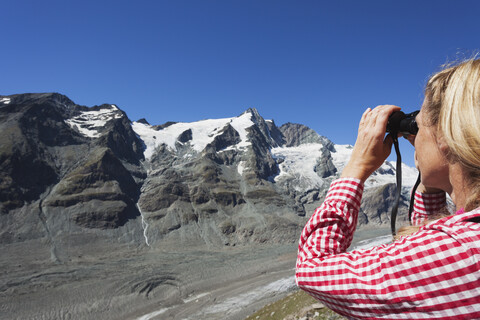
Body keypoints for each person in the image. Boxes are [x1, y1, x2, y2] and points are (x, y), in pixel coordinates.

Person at [296, 58, 480, 319]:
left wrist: (356, 166)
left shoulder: (462, 251)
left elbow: (311, 268)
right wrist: (435, 176)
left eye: (420, 123)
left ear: (448, 137)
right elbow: (429, 236)